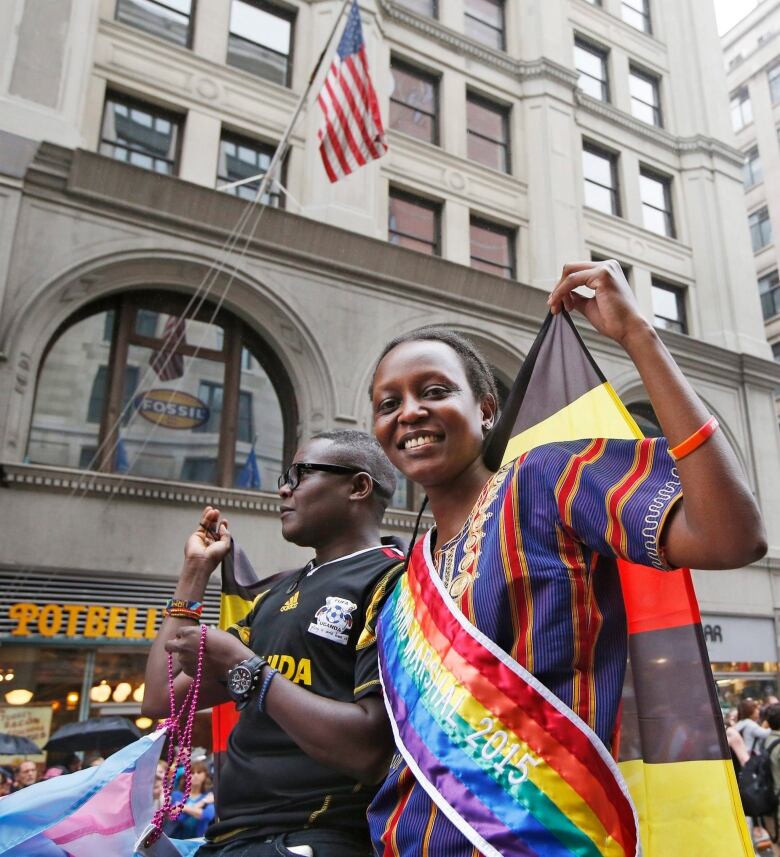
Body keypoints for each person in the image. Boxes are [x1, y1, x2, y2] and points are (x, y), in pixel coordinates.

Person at [365, 259, 767, 854]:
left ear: (487, 409)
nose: (409, 413)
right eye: (387, 403)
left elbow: (731, 536)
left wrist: (639, 337)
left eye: (433, 391)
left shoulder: (547, 477)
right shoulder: (402, 587)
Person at [143, 430, 405, 856]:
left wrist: (245, 667)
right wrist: (194, 572)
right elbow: (161, 698)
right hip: (229, 840)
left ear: (358, 487)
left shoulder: (395, 581)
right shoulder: (275, 598)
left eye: (301, 474)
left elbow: (368, 753)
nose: (284, 488)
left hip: (314, 838)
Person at [164, 760, 215, 839]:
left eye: (199, 772)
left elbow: (208, 815)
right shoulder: (177, 795)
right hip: (174, 839)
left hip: (197, 842)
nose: (195, 775)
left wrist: (183, 807)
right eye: (192, 772)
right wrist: (202, 803)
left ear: (205, 775)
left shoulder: (209, 796)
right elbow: (179, 817)